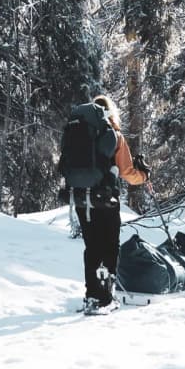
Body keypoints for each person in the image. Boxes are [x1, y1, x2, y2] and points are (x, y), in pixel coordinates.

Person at [69, 95, 149, 313]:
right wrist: (144, 175)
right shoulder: (114, 135)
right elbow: (127, 173)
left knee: (92, 247)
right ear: (110, 112)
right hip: (106, 199)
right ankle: (105, 294)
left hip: (80, 198)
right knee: (110, 244)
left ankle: (91, 295)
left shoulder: (77, 132)